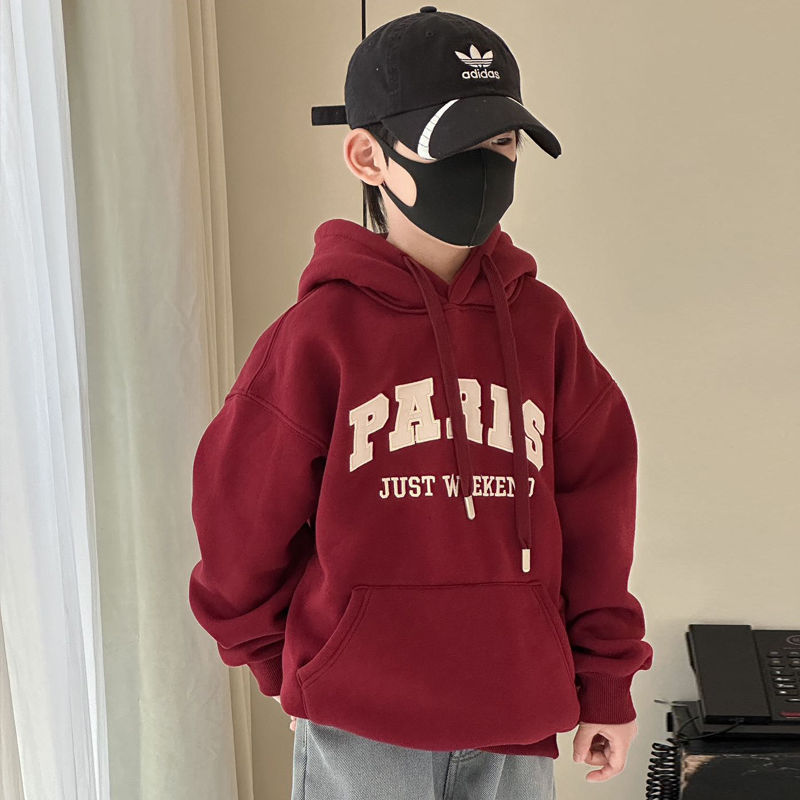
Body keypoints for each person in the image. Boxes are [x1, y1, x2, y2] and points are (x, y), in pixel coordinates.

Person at [188, 7, 654, 798]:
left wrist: (606, 680)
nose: (484, 168)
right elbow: (240, 520)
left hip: (518, 717)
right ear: (368, 155)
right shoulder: (319, 335)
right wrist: (290, 666)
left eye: (500, 143)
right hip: (359, 725)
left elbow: (598, 512)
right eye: (455, 145)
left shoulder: (542, 326)